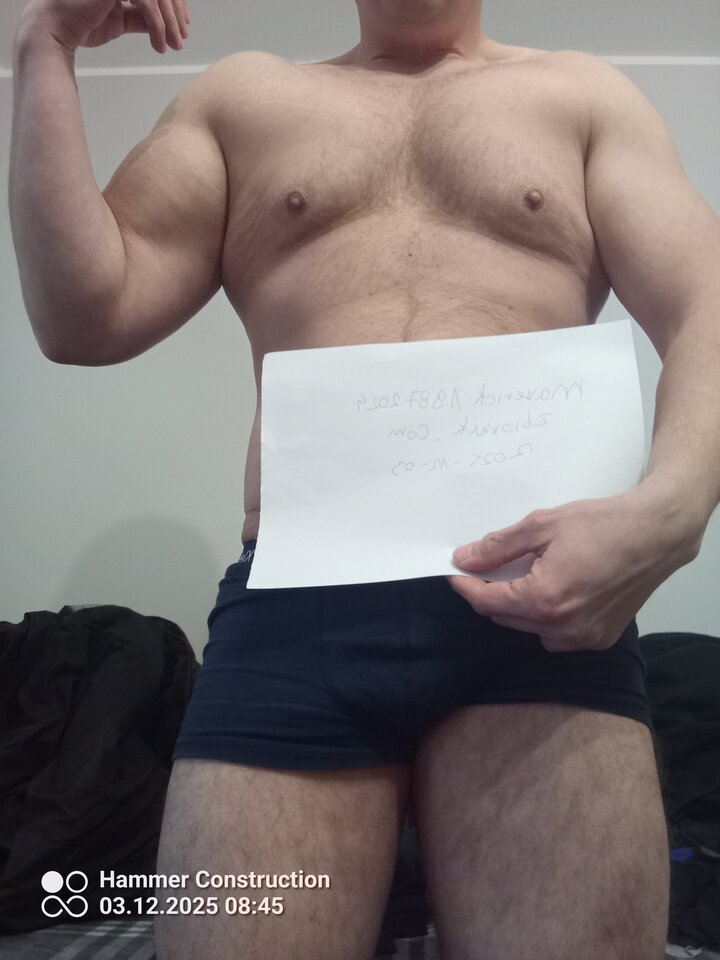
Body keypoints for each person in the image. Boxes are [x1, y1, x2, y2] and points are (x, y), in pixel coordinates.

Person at [9, 0, 720, 956]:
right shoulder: (245, 99)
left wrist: (675, 508)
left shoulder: (583, 95)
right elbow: (80, 318)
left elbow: (706, 300)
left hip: (537, 603)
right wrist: (44, 46)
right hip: (294, 614)